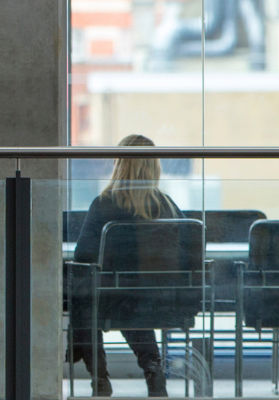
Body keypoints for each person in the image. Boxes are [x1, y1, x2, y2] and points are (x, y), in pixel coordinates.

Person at [67, 134, 176, 397]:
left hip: (115, 298)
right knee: (131, 301)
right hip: (164, 298)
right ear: (154, 166)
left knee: (82, 295)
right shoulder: (168, 206)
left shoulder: (104, 205)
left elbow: (83, 258)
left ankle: (99, 376)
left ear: (119, 164)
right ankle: (154, 372)